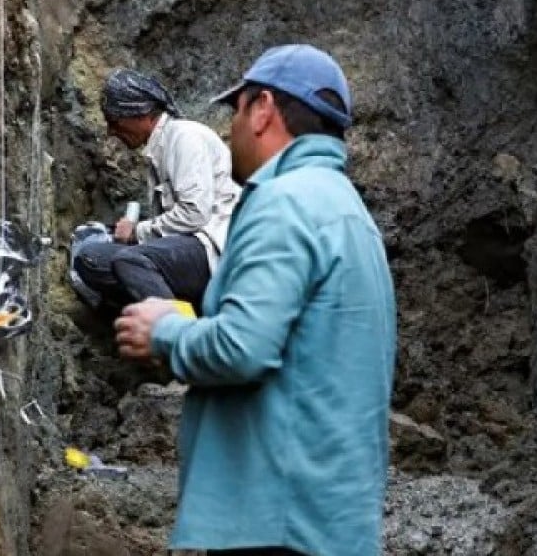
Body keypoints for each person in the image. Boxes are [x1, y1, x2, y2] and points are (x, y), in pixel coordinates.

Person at [113, 45, 397, 556]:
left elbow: (243, 346)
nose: (231, 131)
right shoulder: (349, 211)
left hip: (276, 517)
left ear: (263, 108)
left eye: (236, 112)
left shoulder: (283, 204)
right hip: (332, 518)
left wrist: (166, 329)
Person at [71, 67, 240, 317]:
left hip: (212, 251)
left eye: (115, 121)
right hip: (192, 252)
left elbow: (194, 214)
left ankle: (178, 334)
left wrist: (137, 233)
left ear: (142, 114)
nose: (112, 131)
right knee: (93, 260)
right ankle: (180, 315)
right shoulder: (162, 147)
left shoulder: (184, 136)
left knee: (111, 259)